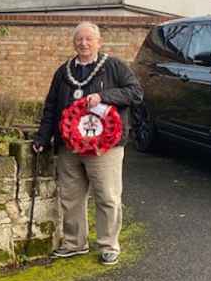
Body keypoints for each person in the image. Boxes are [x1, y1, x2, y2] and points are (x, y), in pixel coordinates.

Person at [33, 22, 143, 266]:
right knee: (71, 197)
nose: (83, 43)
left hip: (104, 147)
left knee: (107, 196)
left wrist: (104, 97)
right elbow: (51, 107)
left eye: (88, 39)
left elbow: (135, 93)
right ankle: (74, 243)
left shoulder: (114, 67)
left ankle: (108, 245)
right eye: (79, 39)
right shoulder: (64, 72)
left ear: (99, 42)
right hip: (69, 146)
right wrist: (42, 138)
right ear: (74, 42)